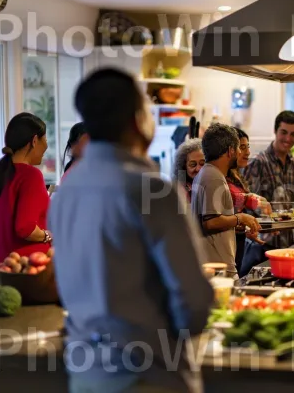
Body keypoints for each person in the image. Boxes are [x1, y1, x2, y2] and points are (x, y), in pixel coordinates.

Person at [49, 68, 213, 393]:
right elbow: (194, 302)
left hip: (86, 374)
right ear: (139, 120)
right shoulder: (151, 190)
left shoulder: (65, 190)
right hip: (145, 375)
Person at [0, 113, 52, 278]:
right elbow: (26, 228)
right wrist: (48, 235)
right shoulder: (31, 176)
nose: (47, 145)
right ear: (34, 140)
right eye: (45, 139)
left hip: (1, 276)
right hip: (30, 275)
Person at [242, 111, 294, 274]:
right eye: (284, 132)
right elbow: (244, 203)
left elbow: (284, 202)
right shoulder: (258, 162)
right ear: (275, 131)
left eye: (293, 134)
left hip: (286, 241)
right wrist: (265, 222)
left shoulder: (293, 164)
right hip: (261, 244)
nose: (288, 139)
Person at [191, 123, 261, 278]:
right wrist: (240, 217)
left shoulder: (209, 173)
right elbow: (210, 222)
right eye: (238, 148)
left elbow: (215, 222)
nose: (240, 152)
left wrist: (240, 226)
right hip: (218, 269)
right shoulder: (213, 177)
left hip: (214, 266)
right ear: (230, 151)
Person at [227, 128, 273, 272]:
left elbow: (232, 215)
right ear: (230, 150)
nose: (247, 152)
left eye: (248, 147)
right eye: (242, 147)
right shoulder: (220, 177)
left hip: (237, 244)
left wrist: (246, 229)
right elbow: (231, 199)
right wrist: (253, 199)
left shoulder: (237, 176)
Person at [173, 138, 204, 202]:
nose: (198, 169)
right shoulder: (178, 191)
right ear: (183, 166)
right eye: (193, 164)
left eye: (202, 164)